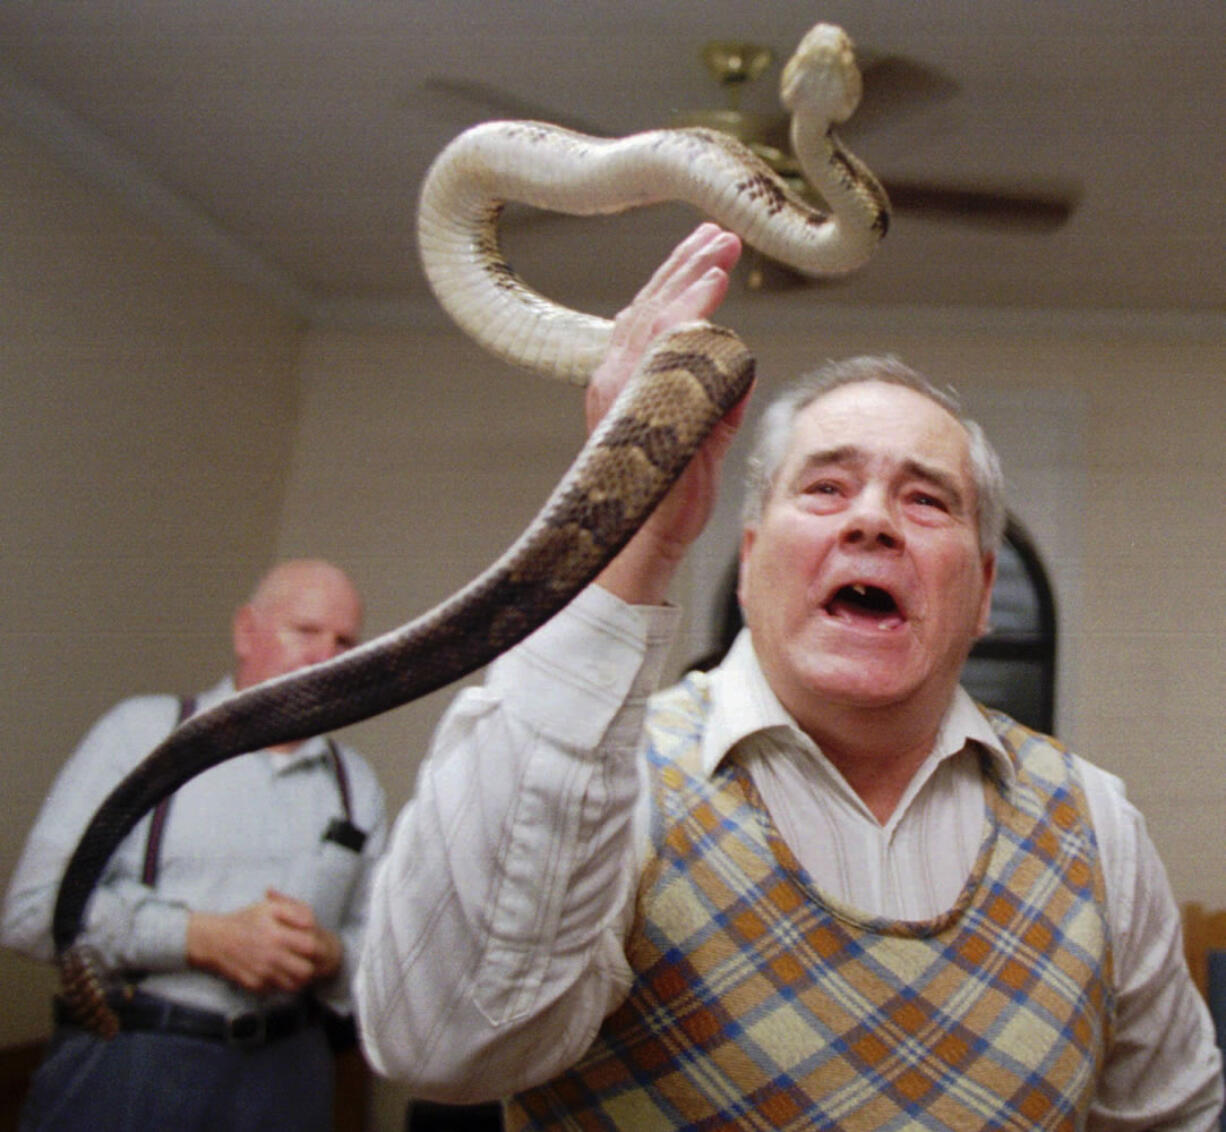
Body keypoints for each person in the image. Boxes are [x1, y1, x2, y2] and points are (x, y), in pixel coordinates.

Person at [354, 223, 1225, 1128]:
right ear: (754, 555)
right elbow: (445, 1044)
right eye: (825, 488)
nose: (874, 522)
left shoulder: (1096, 829)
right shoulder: (619, 784)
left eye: (926, 499)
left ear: (984, 592)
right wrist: (628, 536)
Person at [4, 558, 388, 1132]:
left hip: (290, 1079)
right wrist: (203, 938)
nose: (324, 659)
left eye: (345, 643)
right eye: (305, 631)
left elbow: (384, 958)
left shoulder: (357, 786)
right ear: (244, 630)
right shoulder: (142, 734)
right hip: (130, 1062)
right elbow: (33, 911)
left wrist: (328, 954)